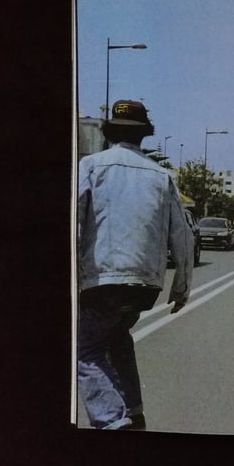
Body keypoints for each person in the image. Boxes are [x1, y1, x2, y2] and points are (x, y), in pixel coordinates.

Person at [76, 100, 194, 430]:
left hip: (102, 282)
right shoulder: (162, 176)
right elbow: (182, 235)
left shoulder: (91, 166)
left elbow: (76, 225)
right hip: (144, 287)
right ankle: (135, 413)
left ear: (109, 132)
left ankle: (114, 422)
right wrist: (182, 285)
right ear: (145, 136)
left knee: (84, 350)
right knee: (117, 338)